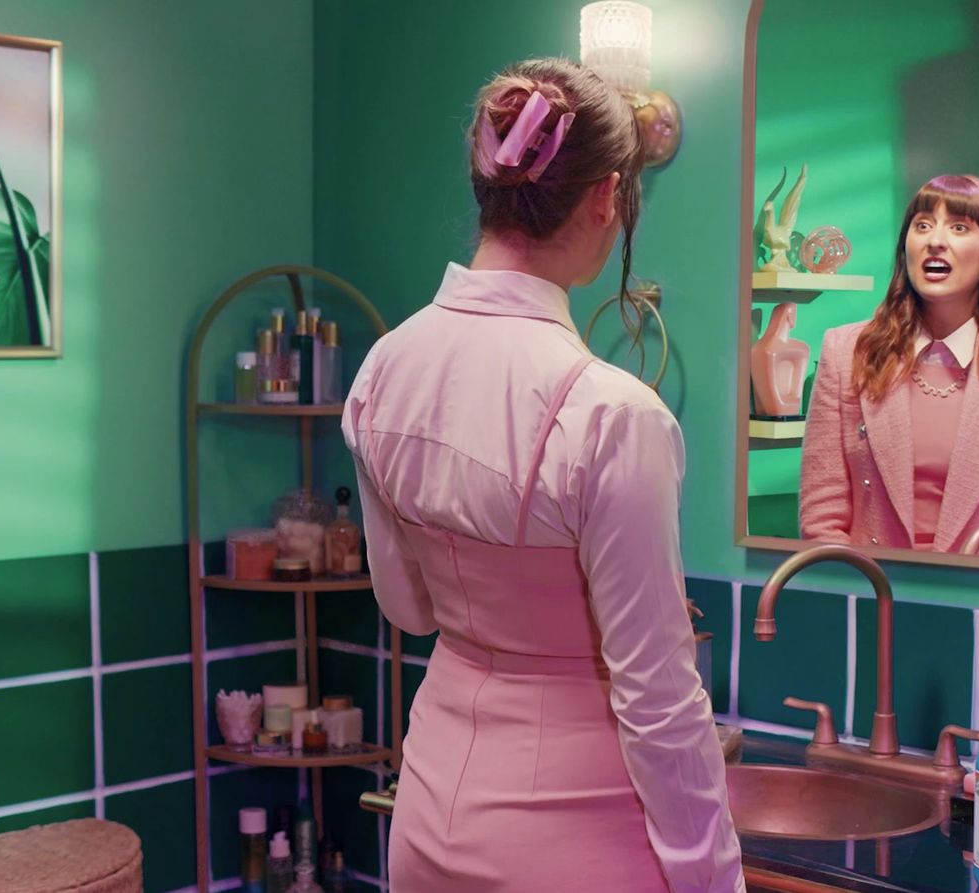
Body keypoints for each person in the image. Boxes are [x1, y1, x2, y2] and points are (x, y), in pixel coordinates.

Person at [342, 58, 744, 892]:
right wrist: (713, 879)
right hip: (577, 838)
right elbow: (660, 699)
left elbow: (409, 607)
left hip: (428, 812)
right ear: (605, 198)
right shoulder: (612, 416)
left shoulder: (383, 369)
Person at [799, 174, 979, 558]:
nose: (935, 240)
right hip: (870, 595)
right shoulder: (847, 352)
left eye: (959, 227)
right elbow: (822, 518)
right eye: (922, 225)